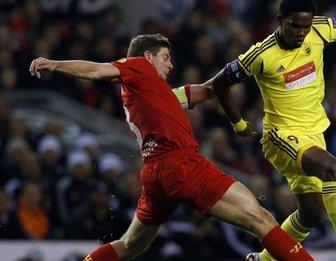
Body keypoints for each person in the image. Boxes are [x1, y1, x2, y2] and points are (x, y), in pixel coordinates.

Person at [29, 34, 315, 261]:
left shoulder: (155, 92)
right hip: (181, 165)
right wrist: (55, 64)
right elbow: (97, 71)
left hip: (155, 175)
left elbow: (208, 89)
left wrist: (240, 72)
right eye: (166, 58)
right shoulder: (137, 67)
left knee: (129, 245)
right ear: (148, 56)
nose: (171, 65)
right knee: (260, 218)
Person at [205, 0, 336, 260]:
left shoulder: (320, 29)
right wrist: (238, 122)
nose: (301, 33)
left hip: (314, 134)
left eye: (305, 26)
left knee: (312, 215)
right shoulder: (261, 54)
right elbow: (220, 84)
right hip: (280, 135)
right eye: (294, 26)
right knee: (330, 166)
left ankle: (264, 259)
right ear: (280, 20)